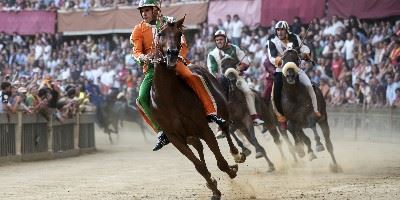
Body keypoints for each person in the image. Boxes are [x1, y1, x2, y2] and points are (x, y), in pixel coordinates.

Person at [131, 0, 226, 151]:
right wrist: (144, 57)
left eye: (147, 10)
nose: (144, 14)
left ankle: (211, 112)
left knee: (193, 77)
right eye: (142, 11)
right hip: (153, 69)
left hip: (174, 62)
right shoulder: (138, 30)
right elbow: (136, 51)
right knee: (141, 98)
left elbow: (182, 42)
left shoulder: (168, 22)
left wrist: (178, 56)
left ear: (155, 10)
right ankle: (161, 131)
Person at [267, 21, 321, 130]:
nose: (279, 32)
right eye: (278, 30)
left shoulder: (295, 37)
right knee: (274, 94)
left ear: (286, 30)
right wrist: (282, 60)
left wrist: (305, 54)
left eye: (282, 30)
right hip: (281, 70)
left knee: (309, 86)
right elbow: (271, 57)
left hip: (296, 69)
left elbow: (304, 48)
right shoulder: (272, 41)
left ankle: (315, 111)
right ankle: (281, 117)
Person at [207, 29, 265, 126]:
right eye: (217, 40)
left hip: (237, 77)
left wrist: (241, 66)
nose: (219, 41)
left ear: (225, 39)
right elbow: (212, 69)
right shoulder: (212, 54)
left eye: (221, 39)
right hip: (222, 81)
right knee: (216, 99)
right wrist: (218, 75)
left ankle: (254, 117)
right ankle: (220, 125)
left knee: (249, 92)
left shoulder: (235, 48)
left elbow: (246, 61)